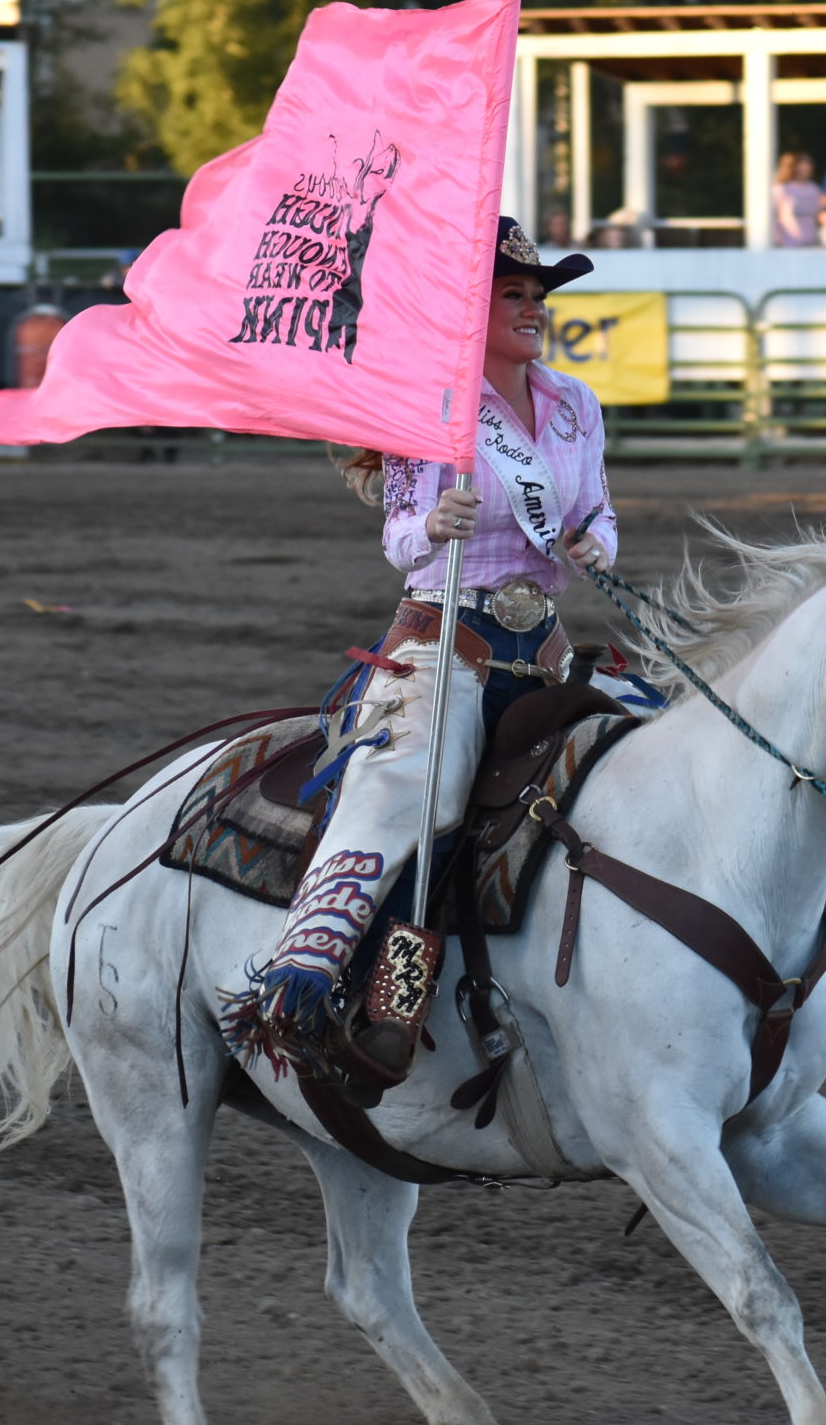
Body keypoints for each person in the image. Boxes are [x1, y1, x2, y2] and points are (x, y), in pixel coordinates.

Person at [237, 218, 620, 1079]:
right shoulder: (432, 410)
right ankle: (372, 991)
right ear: (469, 313)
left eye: (537, 296)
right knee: (423, 796)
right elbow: (401, 536)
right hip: (448, 633)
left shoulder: (574, 406)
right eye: (511, 296)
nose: (532, 310)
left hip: (542, 640)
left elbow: (595, 507)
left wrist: (600, 544)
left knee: (641, 755)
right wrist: (431, 524)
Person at [771, 150, 823, 248]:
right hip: (788, 243)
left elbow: (818, 215)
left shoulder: (814, 189)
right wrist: (776, 240)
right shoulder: (782, 189)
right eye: (804, 162)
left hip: (811, 243)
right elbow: (775, 216)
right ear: (793, 165)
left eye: (809, 162)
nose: (808, 165)